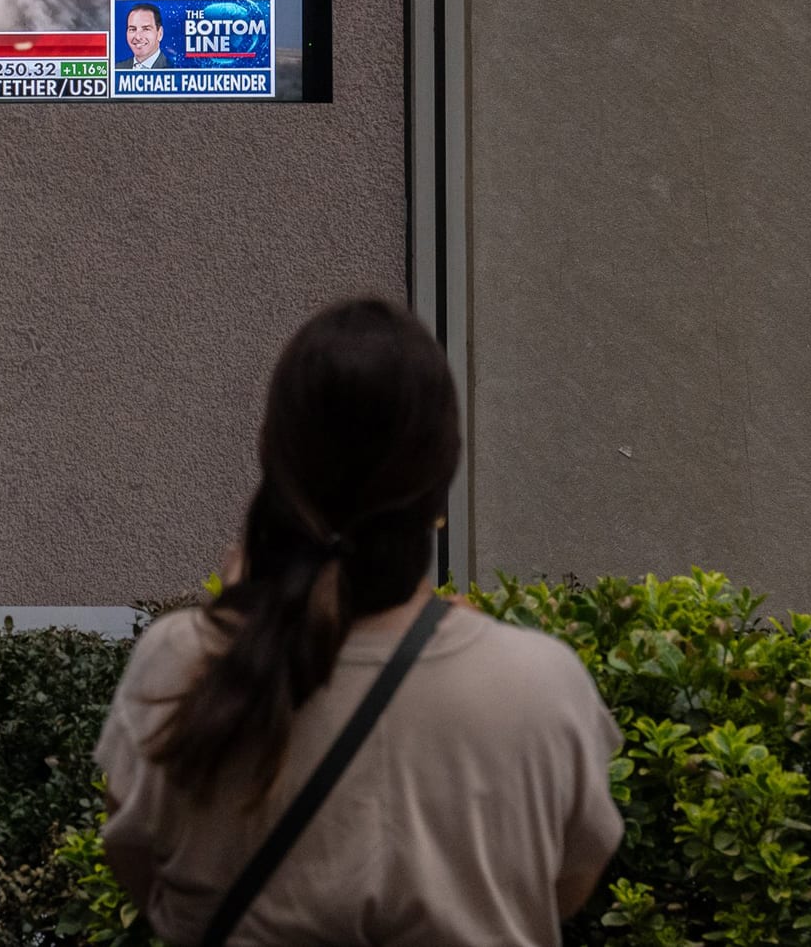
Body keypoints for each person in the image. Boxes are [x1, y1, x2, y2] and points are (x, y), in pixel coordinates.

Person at [97, 298, 622, 946]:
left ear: (274, 459)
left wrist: (227, 619)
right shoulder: (543, 687)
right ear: (441, 477)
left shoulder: (179, 662)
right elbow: (567, 885)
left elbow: (142, 870)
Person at [121, 1, 172, 70]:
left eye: (146, 29)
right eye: (132, 29)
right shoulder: (117, 68)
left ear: (160, 34)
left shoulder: (173, 69)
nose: (138, 37)